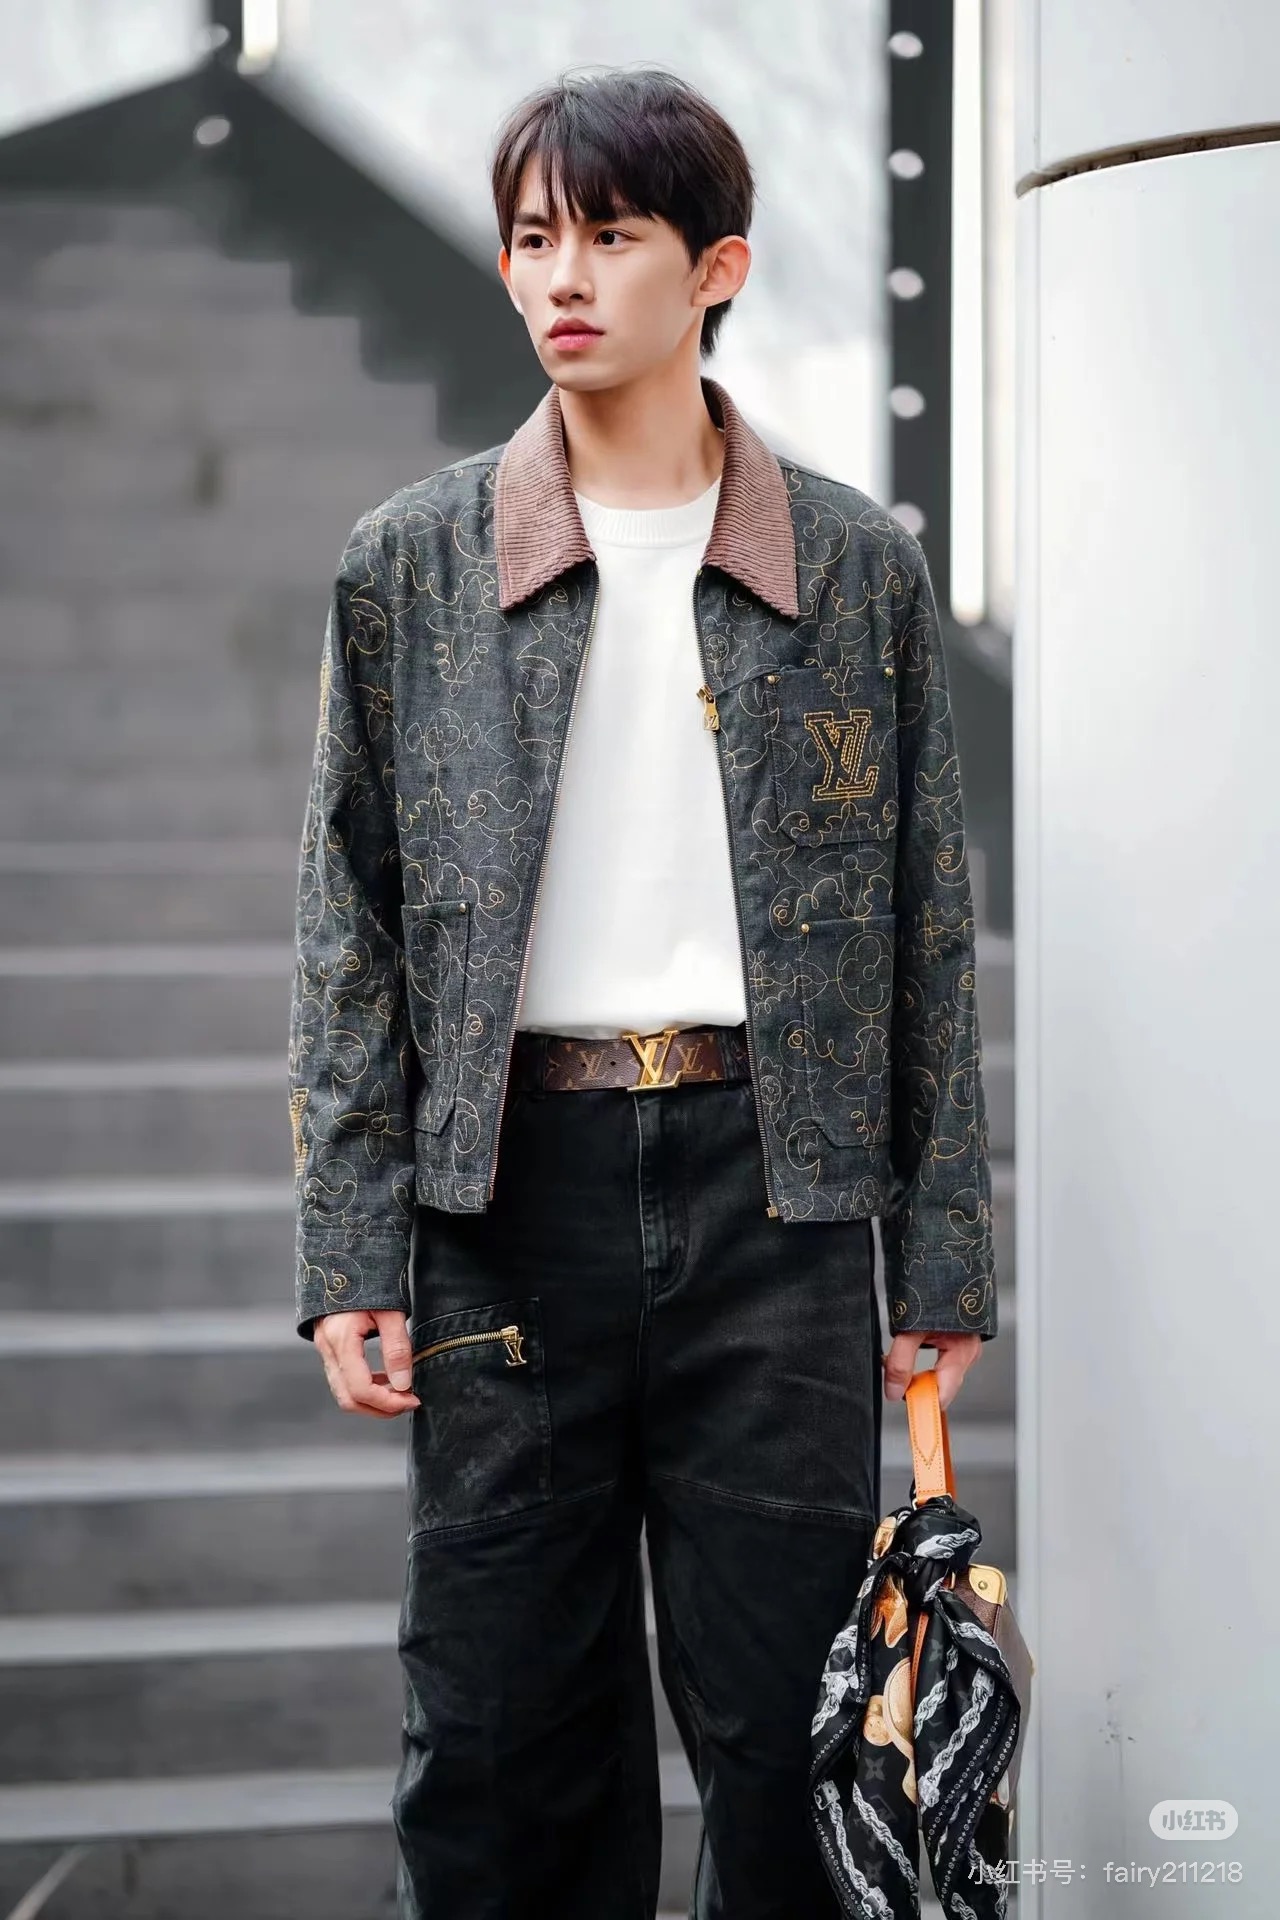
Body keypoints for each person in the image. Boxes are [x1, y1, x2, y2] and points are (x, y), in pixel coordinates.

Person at [287, 63, 998, 1920]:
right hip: (506, 1210)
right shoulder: (413, 563)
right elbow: (350, 926)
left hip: (780, 1202)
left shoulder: (854, 567)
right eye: (534, 237)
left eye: (610, 234)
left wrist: (942, 1255)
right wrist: (353, 1242)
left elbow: (925, 921)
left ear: (718, 268)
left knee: (792, 1744)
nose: (562, 275)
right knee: (499, 1741)